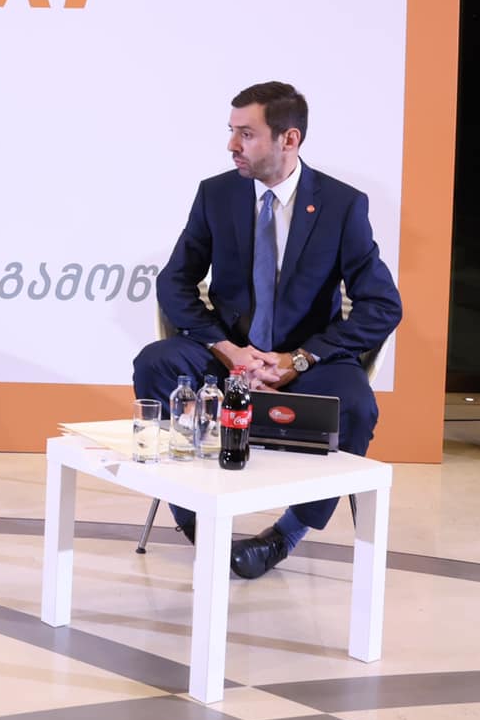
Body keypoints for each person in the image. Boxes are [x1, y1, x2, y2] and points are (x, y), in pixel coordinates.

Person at [134, 81, 401, 579]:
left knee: (357, 406)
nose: (232, 145)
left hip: (306, 362)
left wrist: (299, 359)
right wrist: (227, 348)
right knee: (156, 363)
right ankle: (196, 521)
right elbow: (174, 282)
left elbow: (382, 305)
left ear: (289, 139)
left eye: (246, 134)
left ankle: (286, 534)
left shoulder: (342, 205)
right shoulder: (217, 194)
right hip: (229, 356)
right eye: (232, 131)